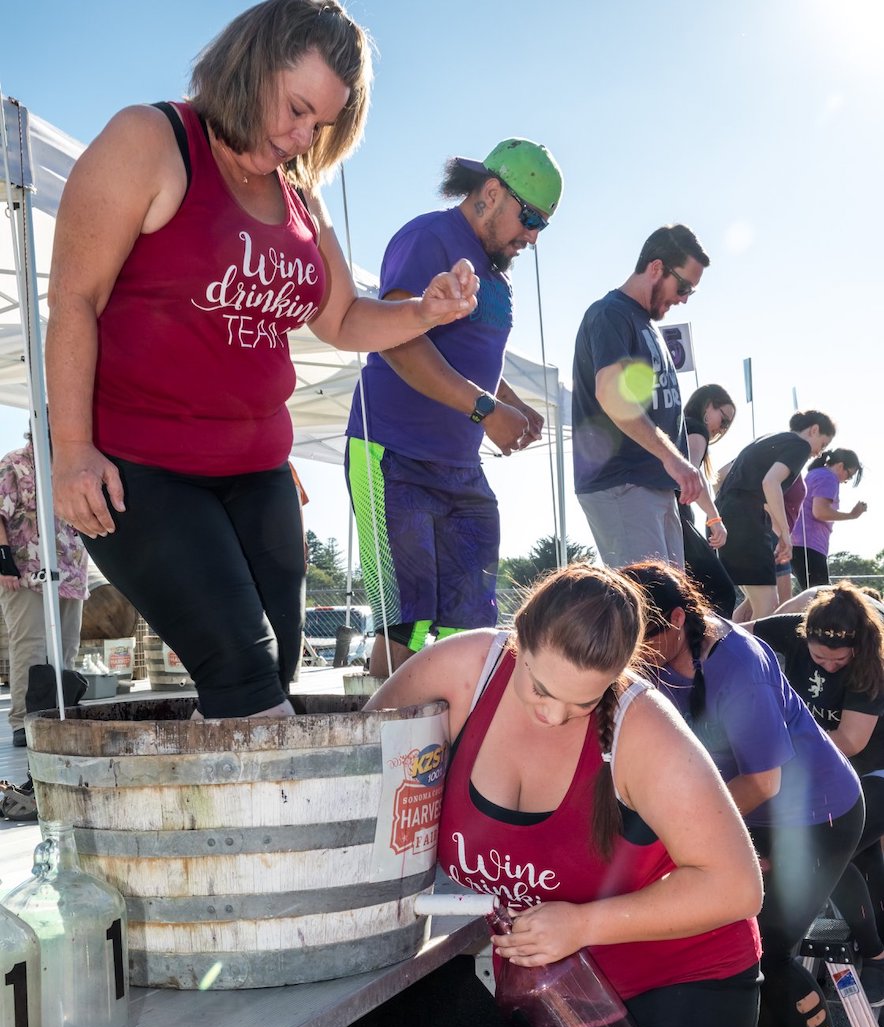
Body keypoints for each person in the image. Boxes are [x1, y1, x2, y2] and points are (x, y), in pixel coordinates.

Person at [45, 0, 479, 722]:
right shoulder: (151, 139)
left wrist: (423, 311)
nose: (303, 135)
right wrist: (71, 451)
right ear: (252, 68)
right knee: (242, 674)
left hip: (258, 474)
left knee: (274, 673)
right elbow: (74, 300)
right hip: (143, 468)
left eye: (322, 124)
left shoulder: (301, 194)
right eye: (296, 108)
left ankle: (210, 825)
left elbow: (340, 319)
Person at [366, 563, 762, 1027]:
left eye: (583, 703)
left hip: (682, 984)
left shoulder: (642, 729)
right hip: (552, 1002)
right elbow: (354, 766)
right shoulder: (462, 673)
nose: (554, 716)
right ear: (518, 638)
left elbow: (737, 887)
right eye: (540, 689)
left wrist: (582, 923)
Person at [622, 561, 863, 1027]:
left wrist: (681, 831)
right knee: (708, 929)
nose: (629, 652)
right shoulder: (653, 654)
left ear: (678, 619)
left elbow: (763, 780)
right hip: (747, 813)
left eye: (640, 636)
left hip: (815, 815)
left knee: (764, 947)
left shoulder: (736, 662)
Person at [345, 138, 561, 678]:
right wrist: (488, 410)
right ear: (491, 193)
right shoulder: (431, 237)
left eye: (542, 226)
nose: (532, 236)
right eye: (530, 217)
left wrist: (510, 402)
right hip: (392, 457)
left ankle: (453, 752)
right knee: (407, 627)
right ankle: (392, 755)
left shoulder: (496, 272)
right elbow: (396, 340)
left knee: (472, 629)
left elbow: (472, 353)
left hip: (459, 469)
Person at [748, 583, 884, 1000]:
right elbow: (734, 634)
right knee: (845, 855)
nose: (826, 665)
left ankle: (877, 957)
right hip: (821, 775)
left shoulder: (871, 667)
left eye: (837, 660)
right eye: (818, 656)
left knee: (830, 848)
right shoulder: (788, 630)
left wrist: (780, 736)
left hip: (871, 773)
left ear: (857, 650)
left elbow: (849, 741)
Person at [571, 224, 708, 569]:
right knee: (651, 611)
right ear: (657, 268)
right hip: (623, 482)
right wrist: (673, 459)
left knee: (674, 609)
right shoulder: (610, 314)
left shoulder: (646, 323)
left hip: (655, 485)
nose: (685, 298)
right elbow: (610, 392)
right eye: (684, 286)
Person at [0, 433, 87, 748]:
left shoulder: (75, 466)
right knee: (31, 646)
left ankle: (58, 715)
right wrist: (3, 560)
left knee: (66, 647)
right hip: (25, 571)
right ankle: (26, 720)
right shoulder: (15, 463)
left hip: (71, 570)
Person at [717, 410, 836, 620]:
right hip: (747, 522)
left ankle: (735, 649)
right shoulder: (800, 445)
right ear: (814, 429)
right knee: (768, 608)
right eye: (823, 445)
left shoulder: (767, 440)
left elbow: (719, 476)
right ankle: (758, 653)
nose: (818, 453)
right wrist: (785, 535)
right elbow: (771, 482)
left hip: (726, 519)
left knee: (754, 605)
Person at [680, 384, 736, 616]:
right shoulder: (695, 428)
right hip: (675, 518)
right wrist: (714, 518)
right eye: (723, 419)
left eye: (727, 426)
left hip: (670, 516)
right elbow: (692, 470)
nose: (722, 429)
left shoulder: (681, 427)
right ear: (707, 405)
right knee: (720, 592)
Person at [790, 449, 867, 590]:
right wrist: (852, 515)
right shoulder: (829, 477)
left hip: (798, 544)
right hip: (809, 546)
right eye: (849, 475)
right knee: (822, 600)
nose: (846, 481)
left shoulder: (815, 474)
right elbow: (820, 512)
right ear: (840, 466)